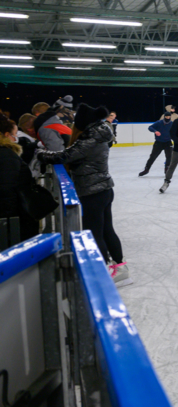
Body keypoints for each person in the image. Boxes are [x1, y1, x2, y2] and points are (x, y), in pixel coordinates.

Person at [37, 105, 131, 287]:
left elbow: (65, 156)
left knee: (96, 232)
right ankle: (120, 268)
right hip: (103, 188)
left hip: (92, 191)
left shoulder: (90, 138)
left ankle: (105, 271)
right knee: (106, 230)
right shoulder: (99, 134)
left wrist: (40, 153)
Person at [0, 115, 40, 247]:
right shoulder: (7, 155)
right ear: (6, 135)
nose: (16, 138)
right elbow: (7, 190)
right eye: (14, 134)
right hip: (11, 220)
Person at [139, 111, 174, 176]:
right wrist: (155, 131)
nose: (168, 118)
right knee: (153, 156)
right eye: (166, 117)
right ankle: (146, 169)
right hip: (159, 143)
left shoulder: (171, 123)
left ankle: (167, 169)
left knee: (169, 157)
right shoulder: (159, 122)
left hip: (168, 142)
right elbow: (150, 127)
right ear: (164, 117)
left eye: (169, 117)